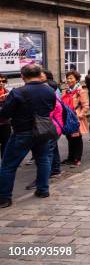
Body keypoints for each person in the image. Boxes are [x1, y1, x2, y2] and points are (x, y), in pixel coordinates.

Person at [0, 65, 56, 208]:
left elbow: (5, 113)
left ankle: (5, 198)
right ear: (39, 74)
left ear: (23, 76)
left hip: (22, 132)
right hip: (42, 131)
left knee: (8, 165)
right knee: (43, 159)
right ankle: (43, 190)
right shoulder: (49, 90)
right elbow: (51, 107)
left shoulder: (18, 92)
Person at [61, 70, 89, 167]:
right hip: (67, 118)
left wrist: (80, 115)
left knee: (76, 138)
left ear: (76, 79)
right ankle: (70, 158)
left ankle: (77, 158)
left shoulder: (81, 91)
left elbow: (86, 105)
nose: (68, 80)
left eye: (71, 78)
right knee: (69, 137)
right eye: (67, 78)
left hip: (76, 118)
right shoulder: (66, 91)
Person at [0, 73, 11, 159]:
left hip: (5, 123)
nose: (1, 83)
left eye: (3, 81)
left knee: (5, 144)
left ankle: (4, 163)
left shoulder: (7, 92)